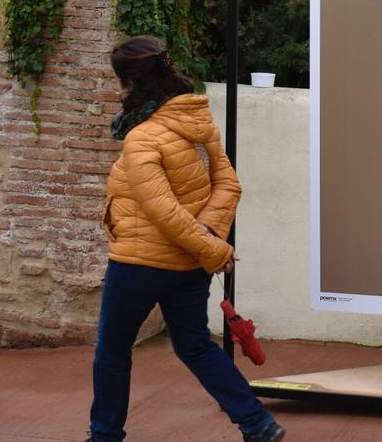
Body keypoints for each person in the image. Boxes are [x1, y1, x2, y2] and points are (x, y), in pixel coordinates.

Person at [87, 36, 285, 442]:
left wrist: (212, 247)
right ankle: (258, 423)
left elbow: (164, 213)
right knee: (195, 346)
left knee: (112, 352)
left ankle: (105, 437)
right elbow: (227, 185)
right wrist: (209, 236)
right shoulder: (198, 121)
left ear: (129, 83)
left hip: (140, 265)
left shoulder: (141, 138)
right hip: (189, 264)